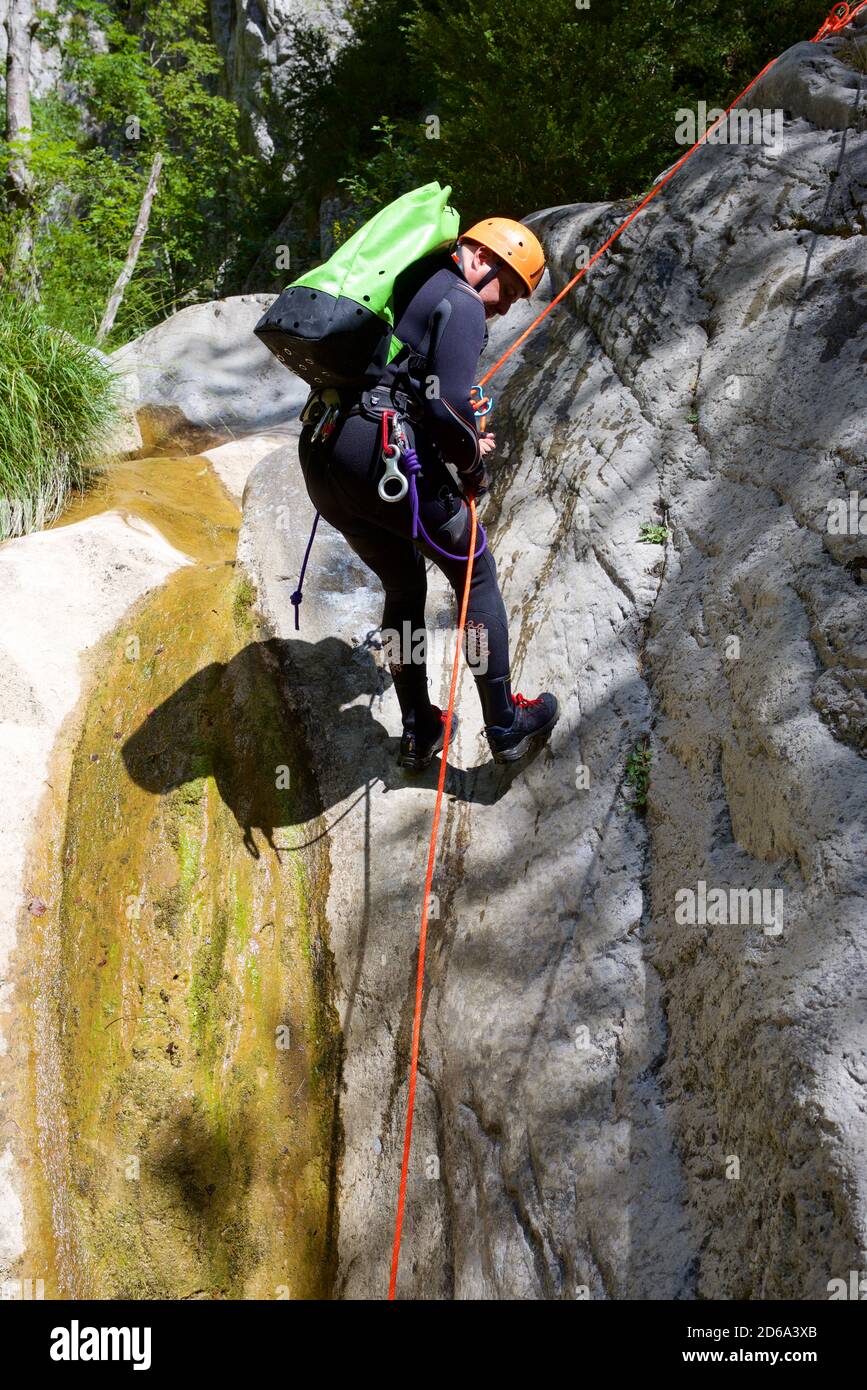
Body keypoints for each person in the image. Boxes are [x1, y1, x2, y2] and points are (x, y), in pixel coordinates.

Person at [297, 216, 560, 770]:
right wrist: (472, 469)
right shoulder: (461, 300)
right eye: (509, 289)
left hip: (327, 456)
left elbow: (420, 390)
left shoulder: (409, 278)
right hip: (379, 458)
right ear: (481, 257)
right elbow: (448, 408)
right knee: (475, 576)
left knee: (403, 586)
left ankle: (419, 728)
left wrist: (449, 435)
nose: (505, 306)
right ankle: (504, 723)